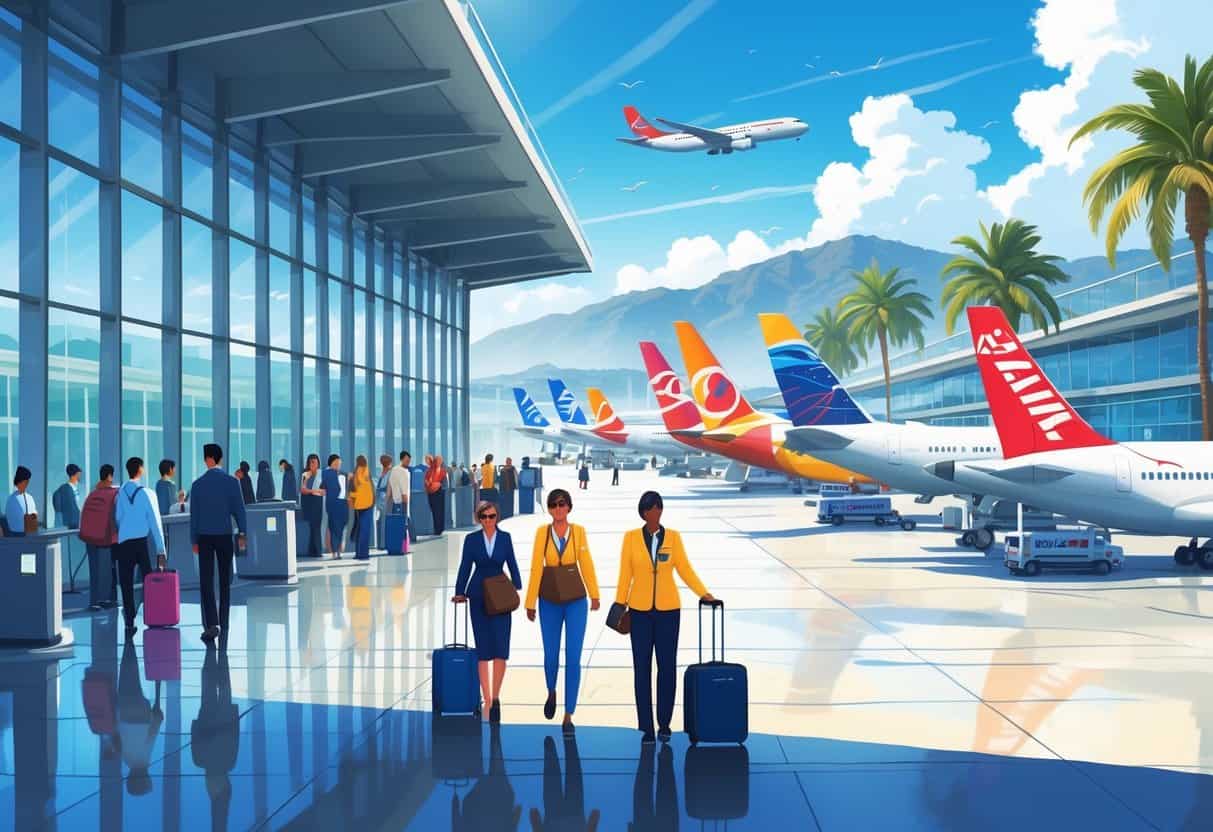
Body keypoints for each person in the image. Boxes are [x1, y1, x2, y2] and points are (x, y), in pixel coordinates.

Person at [616, 490, 716, 744]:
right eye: (651, 508)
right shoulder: (629, 538)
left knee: (667, 667)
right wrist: (619, 605)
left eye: (659, 507)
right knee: (642, 669)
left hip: (668, 611)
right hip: (639, 611)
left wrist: (703, 593)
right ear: (643, 512)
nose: (656, 512)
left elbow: (684, 568)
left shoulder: (673, 537)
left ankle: (664, 723)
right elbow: (624, 575)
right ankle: (646, 726)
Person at [524, 488, 600, 735]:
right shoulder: (542, 533)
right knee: (551, 654)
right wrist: (530, 601)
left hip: (576, 600)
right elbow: (536, 567)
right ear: (549, 509)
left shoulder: (578, 532)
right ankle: (551, 690)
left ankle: (568, 714)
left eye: (562, 504)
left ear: (569, 507)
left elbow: (586, 563)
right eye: (554, 505)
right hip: (549, 600)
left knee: (574, 657)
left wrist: (595, 593)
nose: (558, 509)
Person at [453, 500, 521, 722]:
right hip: (479, 595)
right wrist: (459, 591)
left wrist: (517, 585)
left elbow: (512, 562)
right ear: (478, 519)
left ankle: (497, 696)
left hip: (501, 595)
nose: (488, 521)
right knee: (483, 648)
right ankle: (487, 699)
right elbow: (465, 565)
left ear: (497, 517)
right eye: (484, 517)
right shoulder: (471, 540)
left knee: (501, 647)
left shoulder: (505, 538)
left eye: (492, 517)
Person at [189, 443, 248, 643]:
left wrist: (193, 540)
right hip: (224, 535)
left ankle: (212, 623)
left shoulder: (197, 485)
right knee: (225, 579)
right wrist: (243, 532)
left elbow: (194, 517)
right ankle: (224, 620)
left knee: (206, 580)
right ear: (220, 459)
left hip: (204, 537)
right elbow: (239, 510)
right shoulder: (232, 482)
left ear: (207, 459)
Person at [114, 457, 167, 638]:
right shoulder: (147, 493)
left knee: (126, 584)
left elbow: (118, 518)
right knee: (149, 581)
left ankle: (129, 622)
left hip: (124, 543)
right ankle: (153, 616)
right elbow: (155, 522)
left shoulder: (120, 492)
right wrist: (161, 549)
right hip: (141, 543)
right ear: (141, 470)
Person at [192, 646, 238, 832]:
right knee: (210, 684)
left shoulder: (228, 762)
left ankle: (219, 652)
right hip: (211, 714)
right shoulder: (200, 760)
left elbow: (234, 736)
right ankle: (215, 652)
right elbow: (195, 731)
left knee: (221, 684)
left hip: (222, 714)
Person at [117, 638, 163, 796]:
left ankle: (129, 645)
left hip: (139, 716)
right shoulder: (127, 760)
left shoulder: (142, 762)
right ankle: (128, 645)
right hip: (125, 713)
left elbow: (151, 736)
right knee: (127, 678)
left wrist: (157, 717)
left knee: (132, 678)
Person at [530, 735, 600, 832]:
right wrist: (535, 823)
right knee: (565, 776)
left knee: (570, 775)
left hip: (564, 816)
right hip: (566, 816)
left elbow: (595, 814)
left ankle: (565, 738)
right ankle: (560, 742)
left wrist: (536, 824)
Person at [84, 464, 119, 610]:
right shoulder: (114, 493)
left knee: (95, 569)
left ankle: (94, 600)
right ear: (110, 476)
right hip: (106, 536)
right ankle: (107, 599)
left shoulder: (92, 492)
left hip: (90, 536)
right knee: (108, 568)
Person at [321, 454, 349, 558]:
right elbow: (323, 487)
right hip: (333, 504)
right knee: (333, 527)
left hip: (343, 503)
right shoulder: (326, 473)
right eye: (336, 463)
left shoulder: (343, 474)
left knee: (341, 528)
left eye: (339, 463)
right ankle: (334, 551)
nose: (338, 465)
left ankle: (338, 551)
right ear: (331, 463)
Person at [348, 455, 374, 561]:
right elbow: (371, 488)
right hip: (368, 505)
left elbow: (352, 490)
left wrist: (352, 501)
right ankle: (364, 554)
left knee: (359, 529)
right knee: (365, 530)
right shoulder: (367, 472)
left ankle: (359, 553)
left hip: (358, 506)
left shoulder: (355, 474)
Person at [299, 455, 324, 557]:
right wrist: (314, 491)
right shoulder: (305, 474)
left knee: (316, 526)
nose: (312, 464)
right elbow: (303, 489)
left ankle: (315, 551)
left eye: (314, 462)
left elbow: (323, 490)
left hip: (318, 502)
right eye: (311, 462)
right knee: (312, 526)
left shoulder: (321, 474)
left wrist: (315, 491)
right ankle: (315, 551)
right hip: (308, 502)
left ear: (318, 463)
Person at [5, 465, 36, 536]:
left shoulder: (30, 497)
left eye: (27, 481)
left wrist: (32, 516)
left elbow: (34, 513)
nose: (27, 483)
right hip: (17, 534)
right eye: (25, 481)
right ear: (19, 481)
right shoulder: (12, 499)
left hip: (30, 533)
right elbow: (12, 519)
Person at [52, 464, 83, 529]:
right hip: (70, 528)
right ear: (77, 474)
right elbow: (59, 512)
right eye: (79, 474)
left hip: (75, 526)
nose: (80, 476)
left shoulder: (74, 488)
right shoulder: (63, 490)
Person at [425, 453, 448, 536]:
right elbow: (427, 481)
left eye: (439, 460)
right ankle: (437, 529)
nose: (426, 461)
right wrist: (429, 484)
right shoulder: (429, 470)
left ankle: (439, 529)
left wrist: (437, 484)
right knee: (434, 511)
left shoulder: (442, 471)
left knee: (439, 511)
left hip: (439, 493)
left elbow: (444, 483)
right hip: (431, 493)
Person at [375, 454, 393, 549]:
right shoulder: (389, 473)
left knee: (382, 522)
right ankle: (383, 544)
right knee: (383, 522)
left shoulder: (383, 473)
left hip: (381, 499)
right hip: (383, 499)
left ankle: (382, 544)